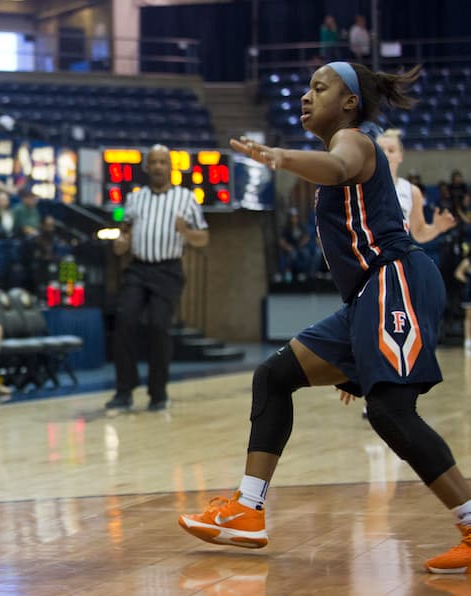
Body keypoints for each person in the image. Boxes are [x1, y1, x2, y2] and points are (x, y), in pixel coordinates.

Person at [178, 61, 471, 575]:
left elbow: (336, 169)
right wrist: (359, 346)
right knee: (274, 375)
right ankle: (248, 510)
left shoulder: (355, 142)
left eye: (321, 87)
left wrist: (278, 157)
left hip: (394, 278)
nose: (307, 96)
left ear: (351, 102)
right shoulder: (343, 145)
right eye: (307, 87)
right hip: (367, 297)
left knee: (389, 412)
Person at [105, 144, 209, 412]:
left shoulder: (186, 198)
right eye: (154, 162)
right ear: (147, 167)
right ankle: (124, 390)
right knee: (124, 321)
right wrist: (122, 241)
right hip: (138, 269)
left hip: (168, 270)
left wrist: (185, 231)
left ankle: (158, 393)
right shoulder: (135, 198)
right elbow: (124, 230)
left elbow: (203, 238)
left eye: (164, 162)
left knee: (159, 328)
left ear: (170, 166)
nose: (159, 166)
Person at [377, 129, 456, 242]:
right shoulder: (361, 186)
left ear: (401, 156)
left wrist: (437, 228)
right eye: (380, 150)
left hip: (396, 254)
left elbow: (419, 233)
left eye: (391, 150)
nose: (385, 154)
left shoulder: (412, 191)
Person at [456, 246, 471, 355]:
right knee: (469, 316)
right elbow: (458, 273)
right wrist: (468, 281)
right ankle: (468, 340)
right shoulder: (467, 261)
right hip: (469, 292)